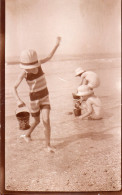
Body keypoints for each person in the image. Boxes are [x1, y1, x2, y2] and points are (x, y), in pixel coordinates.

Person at [13, 37, 61, 152]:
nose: (28, 69)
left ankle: (47, 146)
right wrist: (18, 100)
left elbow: (49, 56)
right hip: (34, 100)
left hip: (45, 96)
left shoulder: (39, 64)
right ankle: (27, 135)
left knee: (46, 120)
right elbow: (13, 87)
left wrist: (56, 45)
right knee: (36, 121)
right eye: (26, 67)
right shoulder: (24, 73)